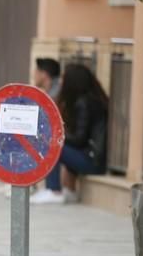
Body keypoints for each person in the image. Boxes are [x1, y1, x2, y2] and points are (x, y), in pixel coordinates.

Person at [31, 63, 108, 205]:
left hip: (93, 162)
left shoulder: (84, 103)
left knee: (53, 146)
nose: (61, 82)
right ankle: (69, 191)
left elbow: (79, 139)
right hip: (93, 158)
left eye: (64, 78)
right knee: (56, 143)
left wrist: (58, 135)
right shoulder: (91, 100)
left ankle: (54, 190)